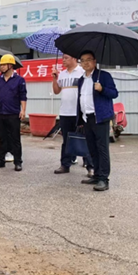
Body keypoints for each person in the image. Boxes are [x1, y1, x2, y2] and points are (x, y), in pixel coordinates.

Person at [77, 50, 118, 192]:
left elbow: (114, 93)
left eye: (88, 59)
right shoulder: (81, 79)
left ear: (95, 61)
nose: (85, 62)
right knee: (92, 148)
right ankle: (96, 174)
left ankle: (103, 179)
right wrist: (79, 118)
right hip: (86, 118)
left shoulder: (104, 76)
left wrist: (102, 89)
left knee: (102, 149)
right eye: (82, 60)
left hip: (100, 118)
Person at [52, 54, 92, 175]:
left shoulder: (82, 72)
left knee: (85, 138)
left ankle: (90, 166)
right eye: (63, 58)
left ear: (74, 58)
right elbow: (56, 91)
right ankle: (65, 164)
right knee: (66, 140)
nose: (63, 60)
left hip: (79, 112)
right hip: (65, 112)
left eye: (66, 58)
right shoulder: (62, 74)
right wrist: (54, 78)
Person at [0, 55, 27, 172]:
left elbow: (23, 96)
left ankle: (18, 161)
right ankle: (1, 160)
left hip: (13, 113)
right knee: (2, 138)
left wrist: (23, 110)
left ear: (10, 65)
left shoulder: (19, 80)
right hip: (0, 112)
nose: (1, 67)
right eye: (0, 65)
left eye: (3, 65)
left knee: (15, 138)